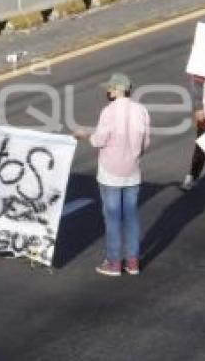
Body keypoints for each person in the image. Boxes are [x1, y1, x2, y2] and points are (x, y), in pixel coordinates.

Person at [74, 73, 150, 277]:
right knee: (132, 216)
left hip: (110, 172)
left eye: (110, 88)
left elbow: (99, 140)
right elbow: (146, 143)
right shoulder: (141, 110)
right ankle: (133, 263)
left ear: (118, 89)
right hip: (133, 171)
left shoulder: (108, 111)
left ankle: (114, 263)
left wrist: (84, 135)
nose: (108, 91)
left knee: (113, 217)